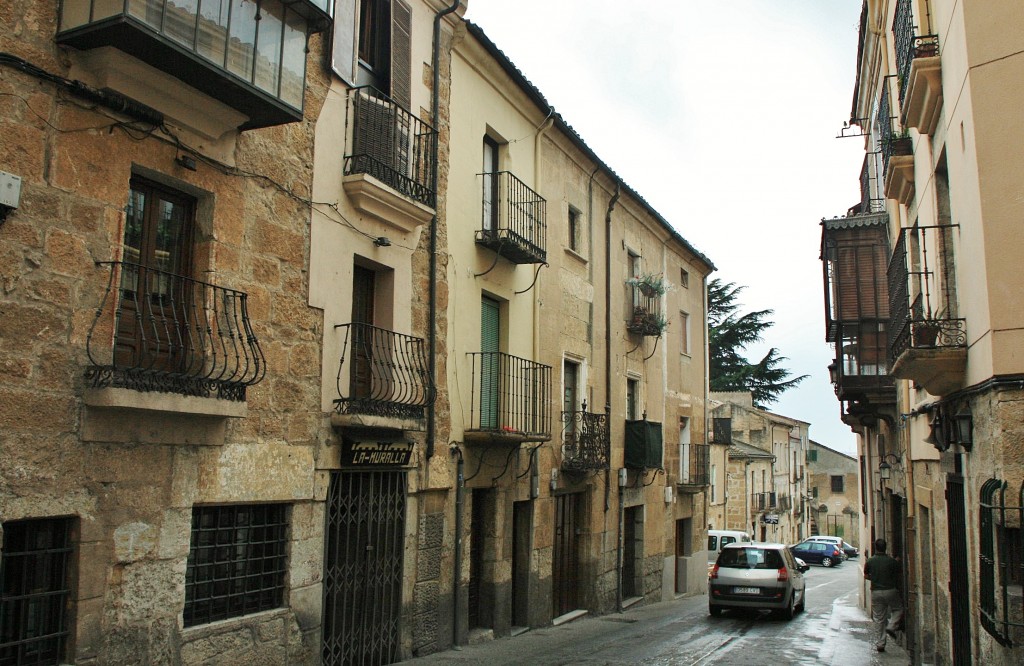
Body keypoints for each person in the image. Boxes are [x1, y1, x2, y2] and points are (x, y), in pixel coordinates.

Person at [864, 538, 904, 652]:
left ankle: (881, 644)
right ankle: (892, 626)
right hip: (890, 590)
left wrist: (875, 578)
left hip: (876, 591)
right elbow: (898, 571)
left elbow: (866, 576)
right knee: (898, 609)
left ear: (876, 548)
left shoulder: (870, 561)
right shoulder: (891, 561)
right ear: (885, 548)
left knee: (879, 618)